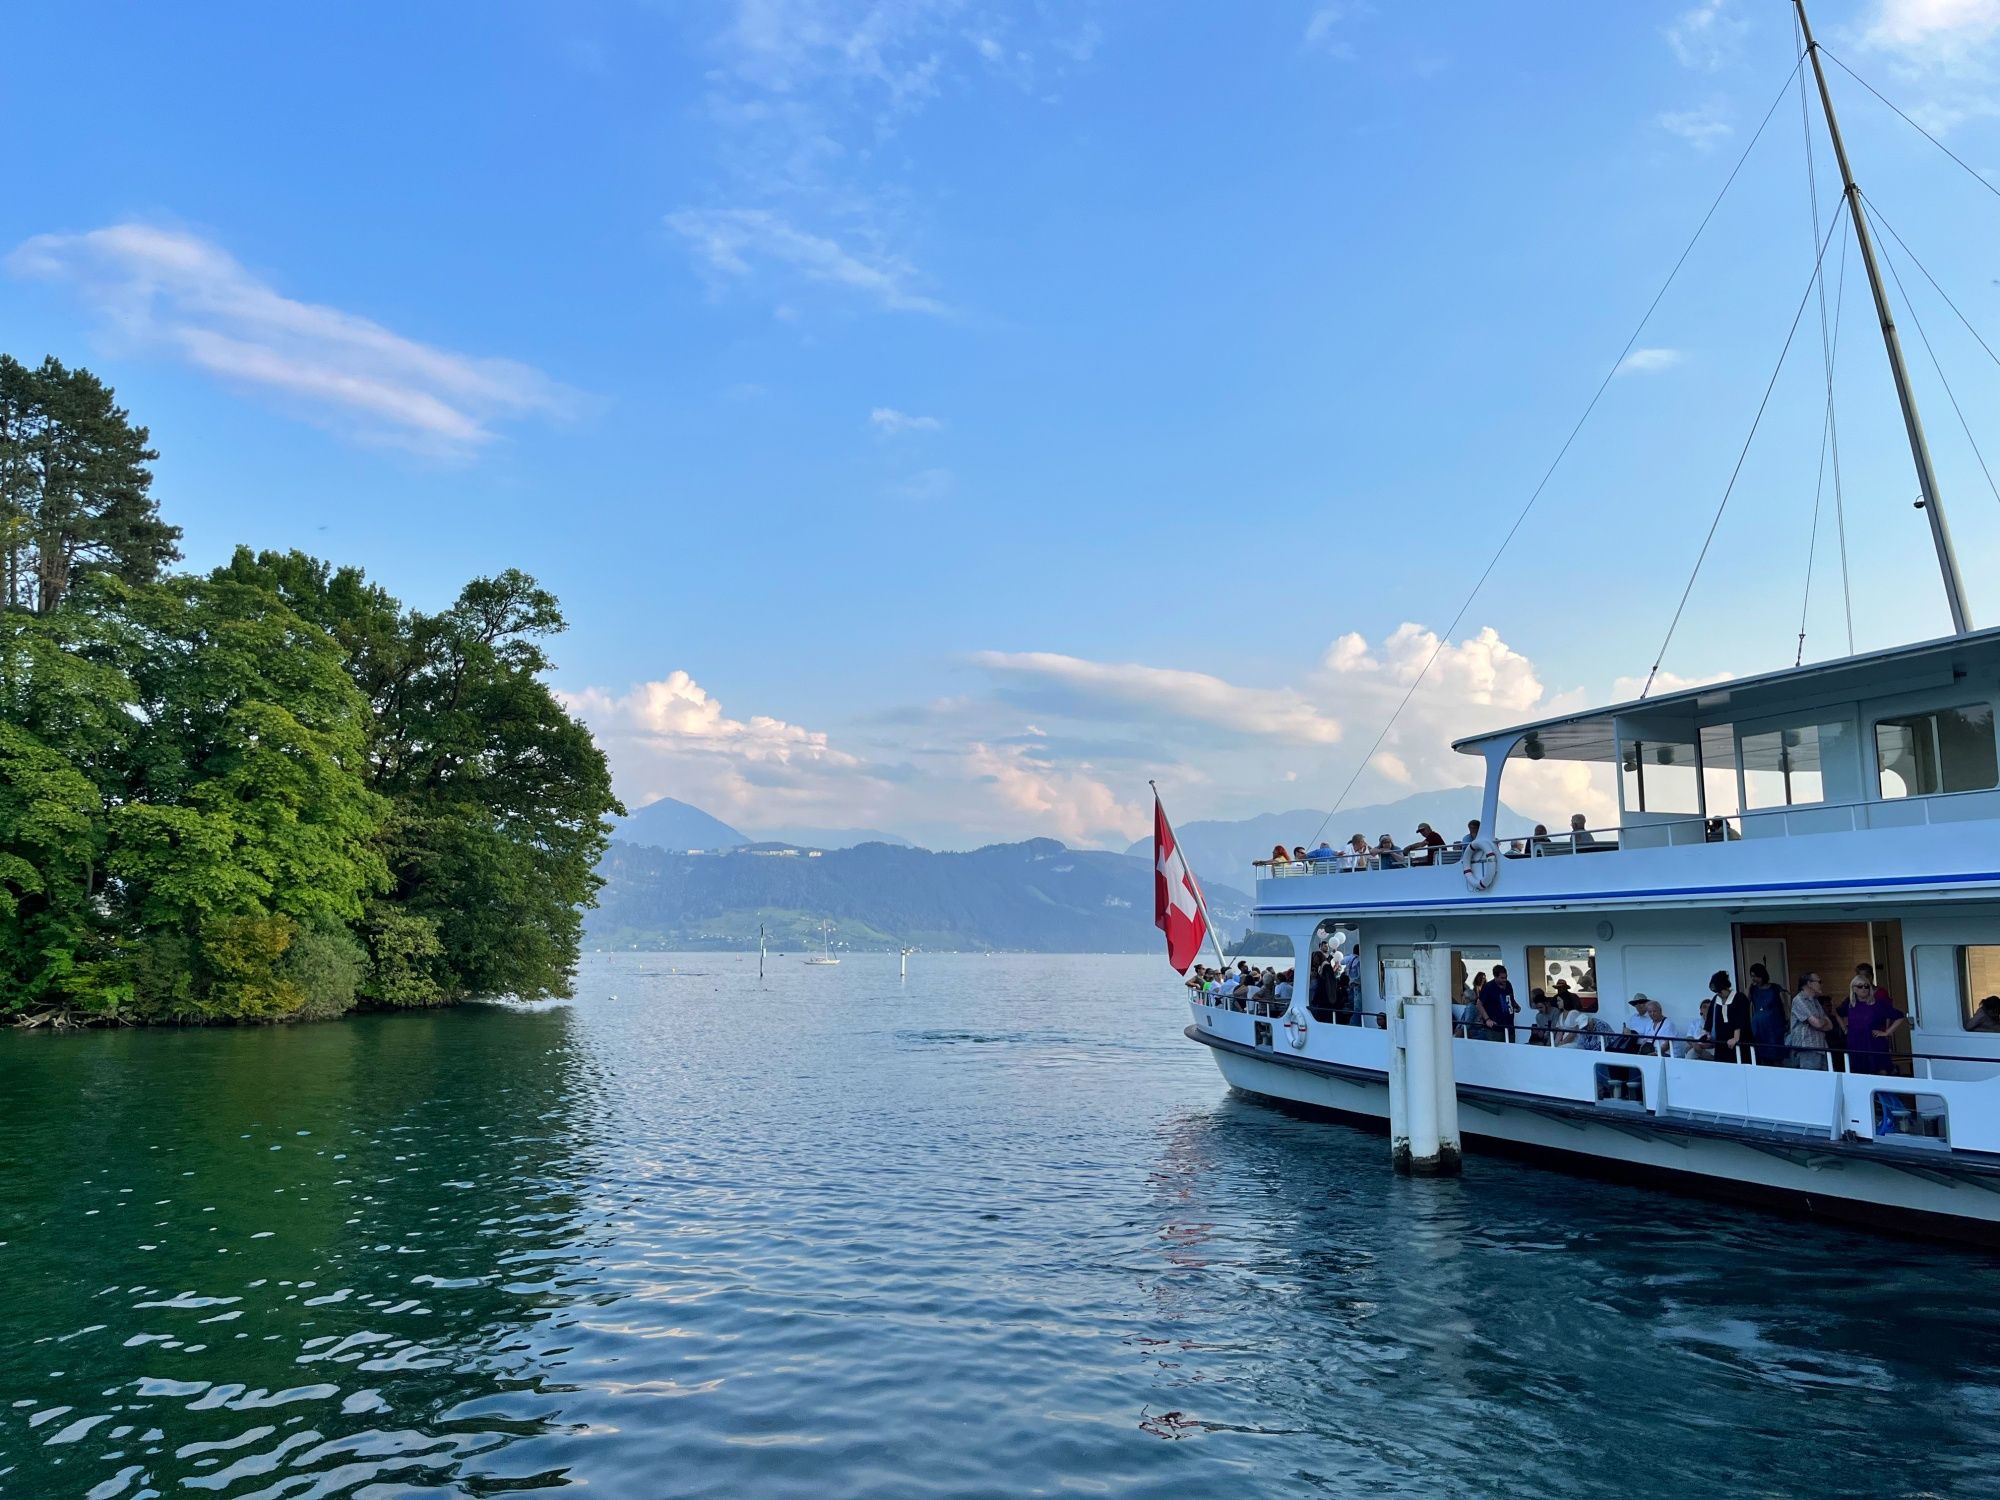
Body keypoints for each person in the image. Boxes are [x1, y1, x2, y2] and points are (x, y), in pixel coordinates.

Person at [1839, 974, 1907, 1076]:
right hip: (1856, 1045)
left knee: (1881, 1074)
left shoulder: (1878, 1004)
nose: (1864, 988)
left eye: (1866, 986)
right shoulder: (1849, 1003)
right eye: (1860, 986)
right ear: (1853, 989)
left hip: (1875, 1044)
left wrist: (1887, 1032)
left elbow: (1900, 1016)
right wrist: (1844, 1028)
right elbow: (1838, 1013)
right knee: (1858, 1075)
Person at [1787, 972, 1834, 1069]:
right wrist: (1821, 1022)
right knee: (1811, 1077)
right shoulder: (1799, 1000)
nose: (1821, 984)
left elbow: (1830, 1026)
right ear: (1809, 983)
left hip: (1821, 1047)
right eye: (1819, 982)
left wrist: (1820, 1022)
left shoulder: (1815, 1001)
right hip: (1808, 1048)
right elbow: (1817, 1023)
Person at [1746, 962, 1788, 1066]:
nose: (1754, 979)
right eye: (1752, 976)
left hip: (1775, 1027)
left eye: (1756, 976)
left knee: (1776, 1055)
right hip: (1759, 1028)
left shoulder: (1775, 988)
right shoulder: (1753, 989)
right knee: (1762, 1057)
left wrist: (1788, 1021)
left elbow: (1785, 1005)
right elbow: (1746, 1002)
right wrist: (1748, 988)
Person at [1705, 970, 1750, 1064]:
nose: (1719, 994)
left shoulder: (1739, 998)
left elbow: (1741, 1019)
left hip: (1738, 1043)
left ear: (1725, 987)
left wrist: (1736, 1038)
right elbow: (1710, 1018)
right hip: (1721, 1043)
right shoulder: (1716, 999)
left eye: (1720, 991)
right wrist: (1708, 1034)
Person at [1477, 965, 1516, 1042]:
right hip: (1495, 1030)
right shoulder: (1488, 987)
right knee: (1497, 1048)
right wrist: (1487, 1019)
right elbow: (1479, 1004)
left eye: (1506, 977)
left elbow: (1510, 998)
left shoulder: (1508, 984)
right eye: (1502, 978)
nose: (1505, 980)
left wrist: (1515, 1005)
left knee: (1511, 1048)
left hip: (1510, 1027)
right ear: (1495, 977)